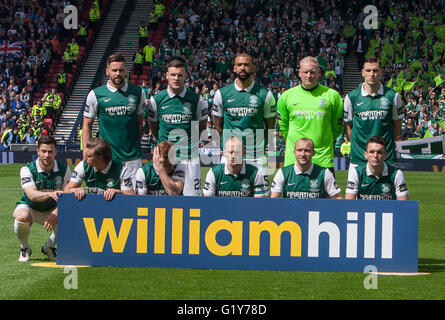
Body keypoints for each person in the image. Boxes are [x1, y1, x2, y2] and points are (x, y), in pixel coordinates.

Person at [82, 53, 146, 190]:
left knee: (132, 203)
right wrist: (86, 151)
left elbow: (139, 123)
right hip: (105, 159)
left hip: (132, 159)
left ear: (126, 71)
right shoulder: (95, 94)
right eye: (114, 70)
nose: (118, 74)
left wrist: (132, 143)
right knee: (106, 201)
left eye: (121, 70)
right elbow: (87, 125)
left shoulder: (138, 92)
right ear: (107, 71)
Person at [148, 56, 208, 196]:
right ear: (166, 76)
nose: (176, 78)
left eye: (180, 75)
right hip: (164, 158)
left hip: (189, 157)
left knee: (192, 202)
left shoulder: (196, 99)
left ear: (186, 76)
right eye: (173, 75)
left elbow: (202, 127)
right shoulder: (156, 100)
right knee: (161, 201)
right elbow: (154, 128)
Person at [277, 56, 344, 173]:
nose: (309, 75)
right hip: (294, 160)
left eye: (312, 72)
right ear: (299, 73)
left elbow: (337, 127)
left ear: (318, 73)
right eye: (305, 72)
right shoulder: (286, 96)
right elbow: (284, 127)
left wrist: (323, 140)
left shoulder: (332, 96)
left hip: (323, 159)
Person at [212, 53, 276, 169]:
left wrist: (259, 147)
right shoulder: (221, 94)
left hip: (256, 156)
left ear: (253, 67)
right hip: (230, 155)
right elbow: (218, 127)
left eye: (246, 65)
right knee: (228, 188)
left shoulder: (265, 95)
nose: (242, 68)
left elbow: (270, 128)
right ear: (234, 68)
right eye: (239, 64)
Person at [13, 136, 71, 262]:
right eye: (43, 151)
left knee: (70, 216)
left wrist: (55, 213)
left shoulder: (64, 169)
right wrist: (51, 194)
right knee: (21, 216)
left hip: (51, 208)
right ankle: (25, 247)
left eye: (50, 151)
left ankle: (49, 247)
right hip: (31, 207)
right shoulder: (27, 169)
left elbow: (67, 197)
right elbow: (32, 195)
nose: (47, 155)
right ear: (38, 151)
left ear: (56, 152)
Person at [64, 138, 134, 200]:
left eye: (89, 156)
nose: (85, 158)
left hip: (114, 209)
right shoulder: (83, 166)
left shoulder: (122, 169)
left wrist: (118, 193)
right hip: (93, 207)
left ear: (100, 158)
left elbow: (131, 198)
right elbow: (66, 190)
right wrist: (74, 191)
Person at [270, 138, 342, 199]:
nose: (302, 154)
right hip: (290, 214)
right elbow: (273, 200)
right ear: (294, 152)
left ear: (313, 153)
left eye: (307, 150)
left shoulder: (324, 173)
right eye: (299, 150)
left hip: (315, 214)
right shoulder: (283, 172)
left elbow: (337, 198)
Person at [345, 136, 409, 200]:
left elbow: (404, 204)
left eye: (380, 152)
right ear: (365, 155)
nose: (375, 155)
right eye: (371, 152)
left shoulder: (396, 174)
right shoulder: (356, 172)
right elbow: (349, 202)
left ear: (386, 155)